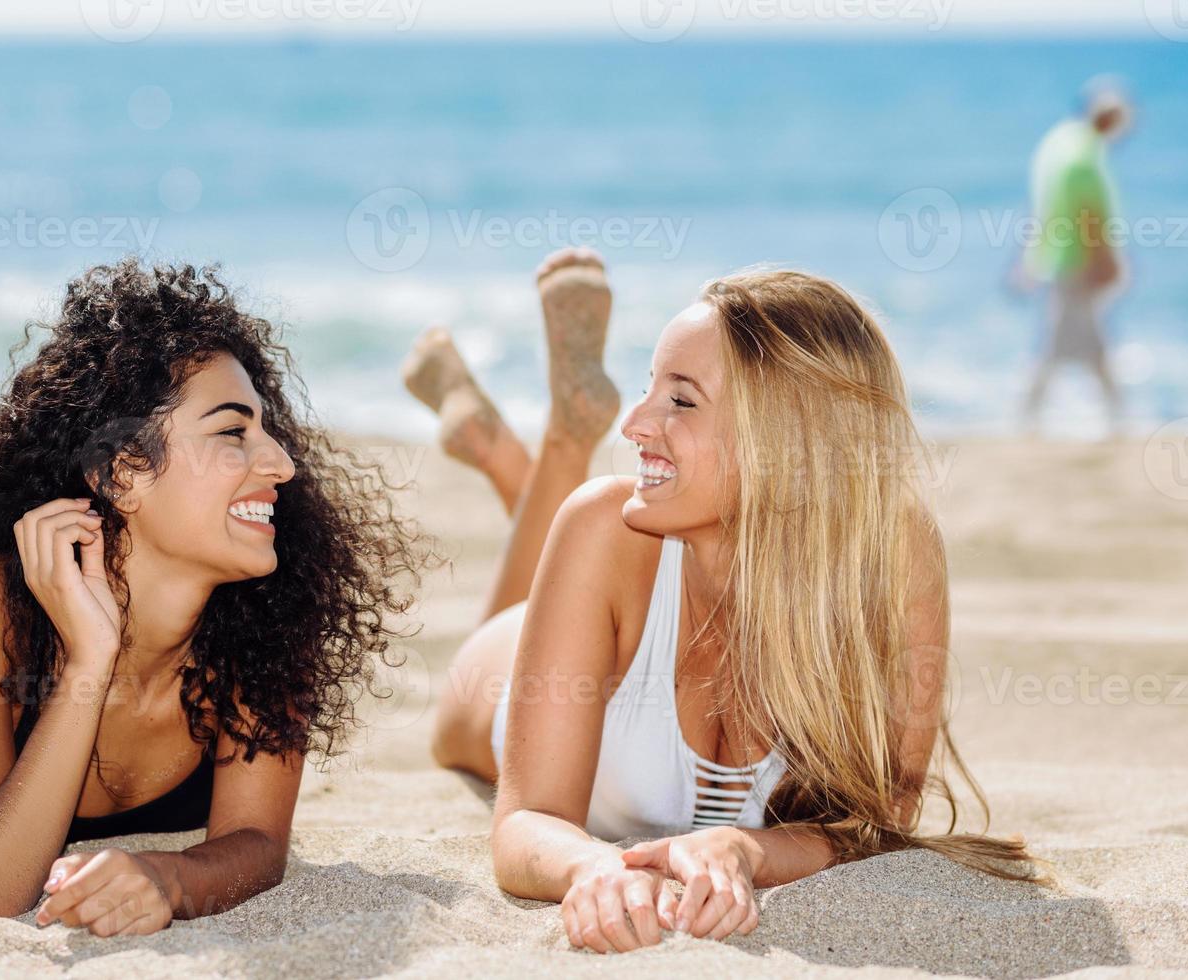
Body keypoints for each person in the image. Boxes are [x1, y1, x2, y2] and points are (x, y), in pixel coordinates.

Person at [0, 213, 430, 934]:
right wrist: (88, 663)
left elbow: (258, 845)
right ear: (122, 471)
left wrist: (169, 877)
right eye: (234, 432)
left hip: (49, 591)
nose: (282, 464)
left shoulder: (265, 621)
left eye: (268, 431)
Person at [416, 247, 1043, 954]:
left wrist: (747, 851)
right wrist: (596, 868)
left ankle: (494, 440)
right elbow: (526, 818)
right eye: (649, 387)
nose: (635, 423)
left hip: (610, 598)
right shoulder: (604, 524)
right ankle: (547, 437)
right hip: (509, 672)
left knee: (559, 558)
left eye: (680, 400)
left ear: (788, 443)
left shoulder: (890, 554)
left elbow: (883, 813)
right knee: (492, 653)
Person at [1019, 77, 1134, 435]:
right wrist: (1105, 258)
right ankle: (1032, 414)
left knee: (1074, 341)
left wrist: (1030, 259)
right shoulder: (1083, 156)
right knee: (1068, 344)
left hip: (1057, 259)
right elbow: (1087, 213)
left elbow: (1045, 208)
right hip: (1075, 262)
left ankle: (1035, 414)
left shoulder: (1060, 142)